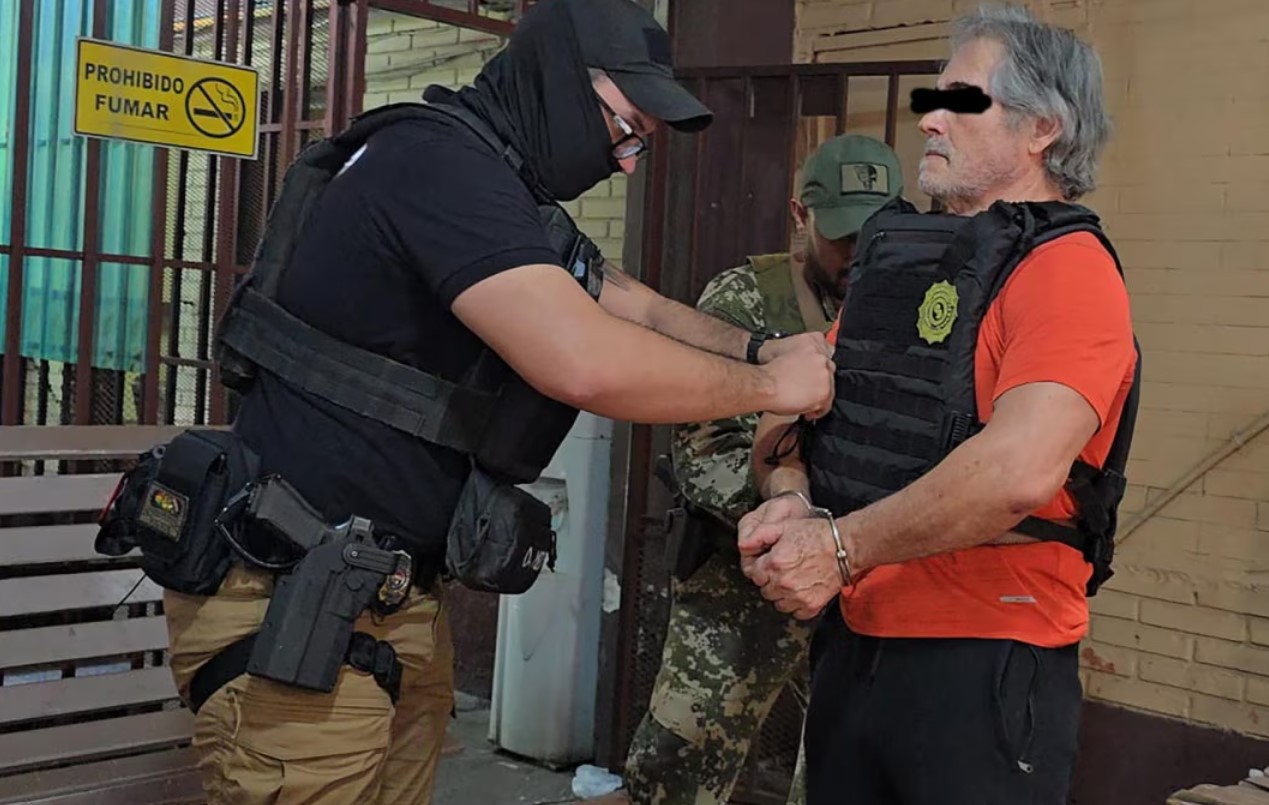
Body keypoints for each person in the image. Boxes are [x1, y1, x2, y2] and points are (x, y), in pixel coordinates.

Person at [134, 1, 835, 803]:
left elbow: (627, 300)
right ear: (560, 86)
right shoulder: (436, 167)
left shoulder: (498, 187)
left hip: (381, 594)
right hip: (291, 598)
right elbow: (582, 361)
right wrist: (771, 388)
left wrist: (758, 348)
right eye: (625, 129)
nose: (625, 163)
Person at [738, 4, 1140, 804]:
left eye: (960, 100)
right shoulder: (905, 262)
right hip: (856, 646)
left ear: (1042, 129)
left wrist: (839, 547)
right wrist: (791, 499)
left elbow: (1017, 471)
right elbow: (792, 409)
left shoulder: (1067, 271)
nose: (928, 119)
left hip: (982, 661)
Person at [615, 134, 906, 805]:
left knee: (838, 771)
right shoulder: (745, 300)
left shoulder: (906, 301)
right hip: (743, 578)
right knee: (678, 767)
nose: (857, 254)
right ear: (801, 216)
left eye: (873, 234)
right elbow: (706, 446)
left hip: (858, 580)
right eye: (841, 236)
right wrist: (790, 515)